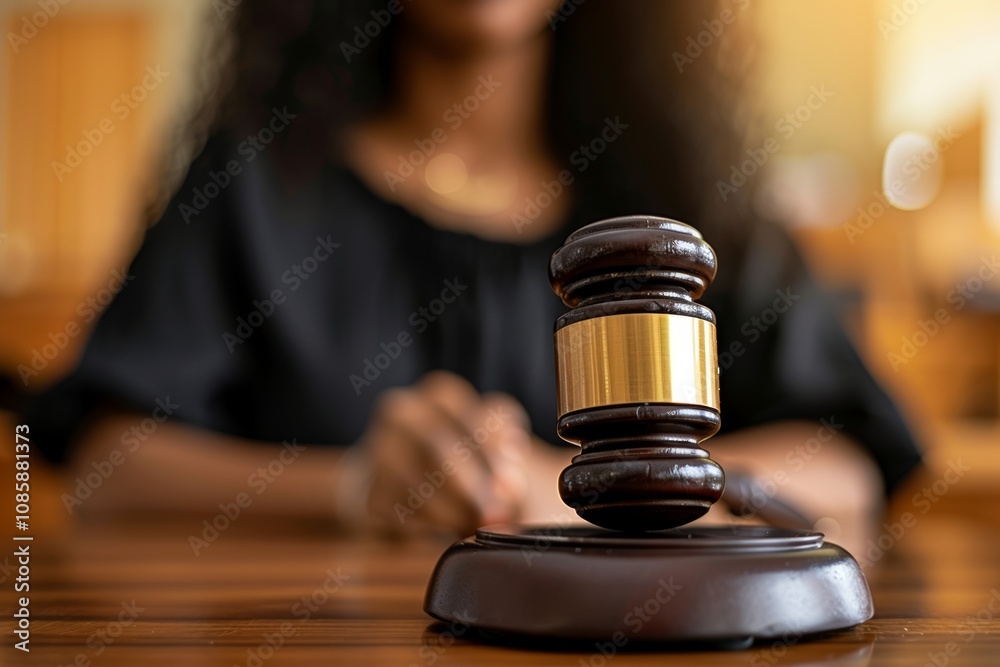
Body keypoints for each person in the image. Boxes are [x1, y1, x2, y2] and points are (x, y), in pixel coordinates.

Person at [25, 0, 920, 548]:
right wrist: (350, 488)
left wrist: (586, 487)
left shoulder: (687, 199)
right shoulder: (254, 185)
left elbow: (845, 471)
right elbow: (107, 472)